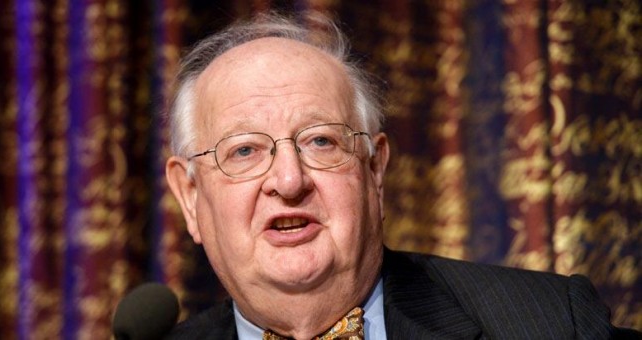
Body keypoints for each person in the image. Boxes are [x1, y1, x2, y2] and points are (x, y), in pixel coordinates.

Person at [164, 12, 638, 340]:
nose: (289, 181)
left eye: (321, 141)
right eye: (244, 151)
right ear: (190, 197)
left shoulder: (548, 323)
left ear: (375, 170)